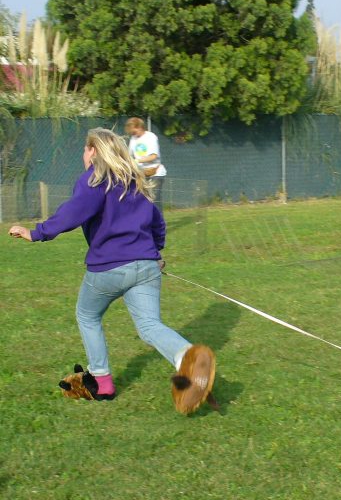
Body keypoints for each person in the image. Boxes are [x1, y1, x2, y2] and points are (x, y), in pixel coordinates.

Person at [9, 128, 215, 411]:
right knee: (149, 326)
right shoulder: (135, 182)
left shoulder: (94, 180)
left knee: (87, 315)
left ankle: (102, 382)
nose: (83, 155)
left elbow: (72, 213)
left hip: (109, 268)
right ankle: (188, 358)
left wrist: (37, 233)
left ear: (93, 151)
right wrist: (156, 252)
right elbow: (157, 221)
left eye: (84, 149)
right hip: (147, 265)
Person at [125, 117, 166, 210]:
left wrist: (137, 161)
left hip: (156, 173)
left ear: (139, 127)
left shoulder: (151, 137)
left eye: (134, 131)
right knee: (142, 200)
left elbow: (153, 156)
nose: (133, 134)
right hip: (141, 174)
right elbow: (129, 155)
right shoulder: (133, 139)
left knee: (155, 200)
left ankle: (159, 223)